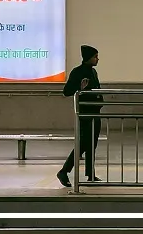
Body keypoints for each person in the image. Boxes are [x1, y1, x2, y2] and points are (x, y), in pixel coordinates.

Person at [57, 44, 103, 188]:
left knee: (92, 144)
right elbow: (67, 91)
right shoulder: (77, 72)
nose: (97, 59)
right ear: (88, 58)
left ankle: (90, 174)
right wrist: (79, 88)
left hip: (95, 112)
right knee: (83, 144)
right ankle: (64, 171)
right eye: (95, 57)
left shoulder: (93, 72)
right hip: (85, 113)